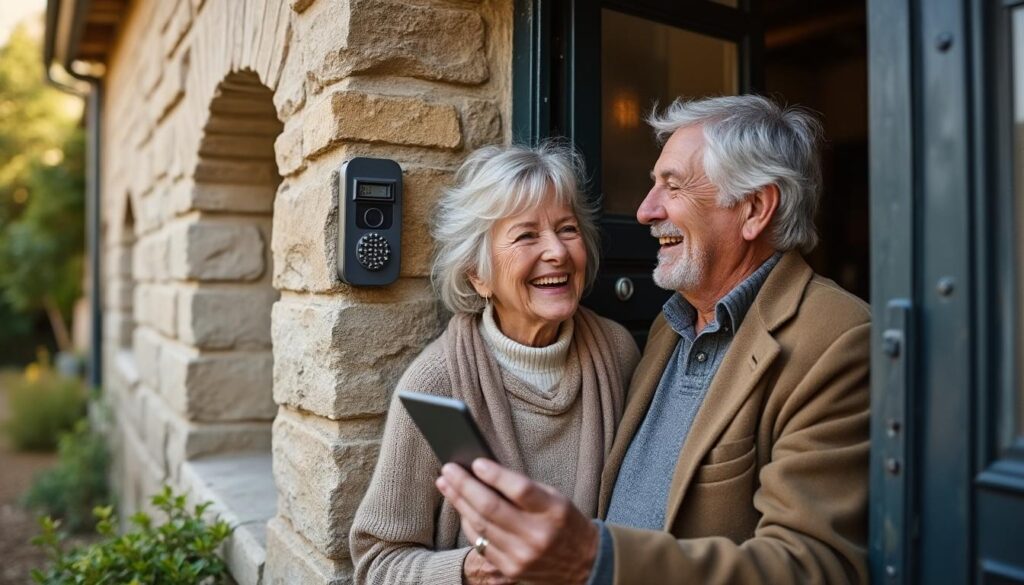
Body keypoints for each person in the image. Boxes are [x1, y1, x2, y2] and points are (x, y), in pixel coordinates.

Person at [435, 95, 871, 585]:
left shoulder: (838, 338)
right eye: (652, 185)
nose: (644, 211)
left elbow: (817, 568)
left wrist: (595, 559)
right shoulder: (670, 326)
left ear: (753, 208)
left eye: (673, 186)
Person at [349, 142, 641, 585]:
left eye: (567, 229)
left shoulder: (617, 352)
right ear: (478, 275)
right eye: (526, 235)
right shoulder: (435, 382)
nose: (557, 253)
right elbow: (378, 563)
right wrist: (468, 571)